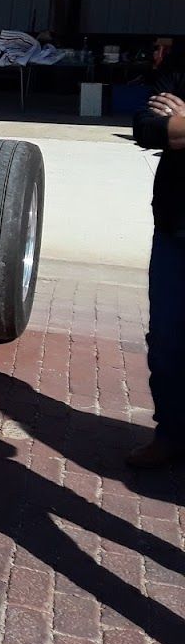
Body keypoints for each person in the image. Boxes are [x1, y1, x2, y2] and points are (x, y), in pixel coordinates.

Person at [129, 37, 185, 468]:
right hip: (175, 226)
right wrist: (168, 127)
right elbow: (145, 126)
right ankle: (170, 434)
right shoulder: (182, 59)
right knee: (165, 340)